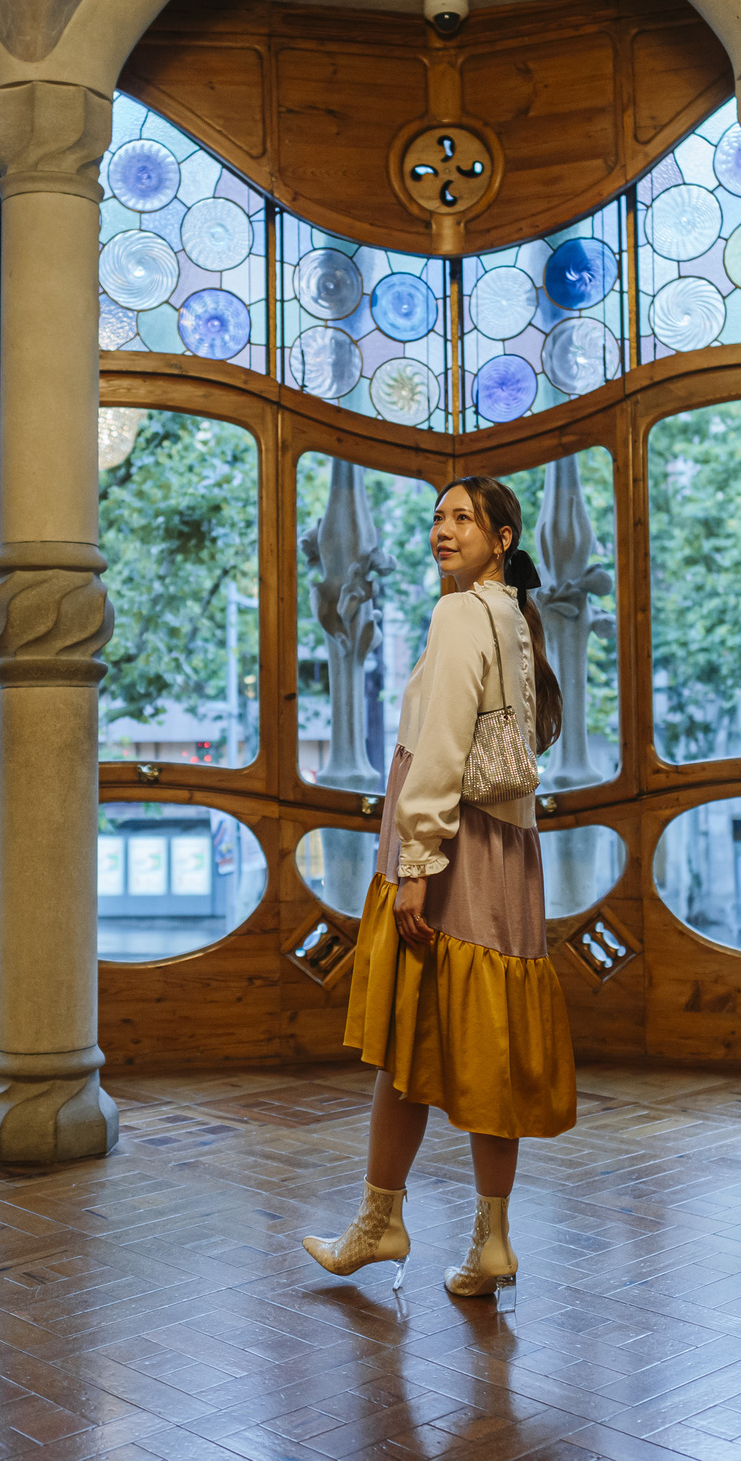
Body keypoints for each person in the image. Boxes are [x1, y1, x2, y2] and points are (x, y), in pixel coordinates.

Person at [303, 476, 576, 1301]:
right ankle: (489, 1242)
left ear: (502, 538)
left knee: (406, 1043)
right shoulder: (511, 615)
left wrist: (416, 865)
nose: (442, 530)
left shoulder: (461, 614)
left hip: (451, 851)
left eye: (462, 518)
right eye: (436, 518)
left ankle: (379, 1222)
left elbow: (444, 743)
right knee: (490, 1049)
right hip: (505, 854)